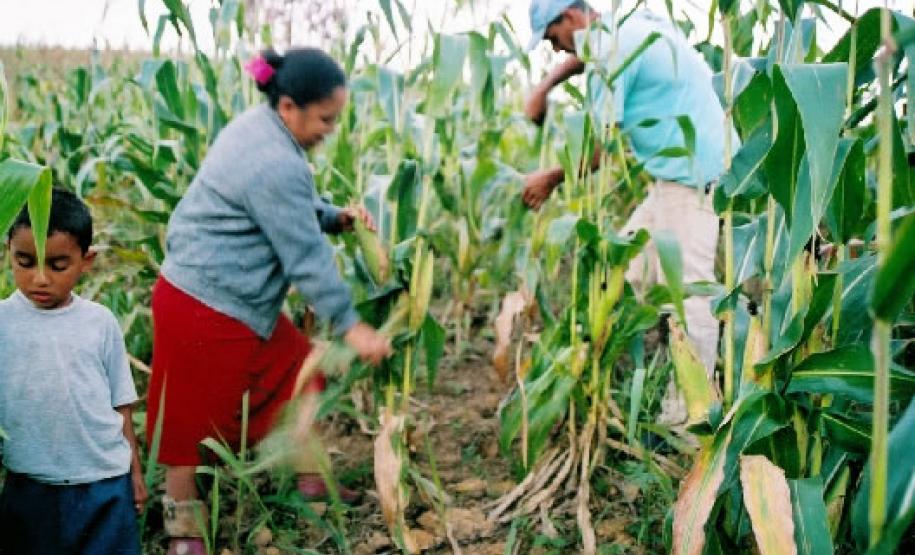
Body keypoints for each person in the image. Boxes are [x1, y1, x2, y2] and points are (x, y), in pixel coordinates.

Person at [146, 47, 392, 555]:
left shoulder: (256, 128)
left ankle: (310, 478)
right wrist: (350, 325)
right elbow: (306, 260)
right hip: (205, 304)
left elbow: (278, 206)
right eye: (325, 118)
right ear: (289, 109)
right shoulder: (277, 161)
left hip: (226, 299)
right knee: (190, 422)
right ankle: (183, 530)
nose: (330, 129)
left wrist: (330, 216)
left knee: (297, 370)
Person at [523, 0, 733, 417]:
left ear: (569, 18)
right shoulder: (627, 26)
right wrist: (545, 86)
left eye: (552, 39)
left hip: (690, 179)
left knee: (689, 293)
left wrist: (548, 179)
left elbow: (596, 149)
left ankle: (691, 415)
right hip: (670, 179)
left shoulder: (612, 51)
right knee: (624, 272)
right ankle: (626, 380)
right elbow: (582, 58)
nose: (556, 50)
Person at [0, 188, 147, 555]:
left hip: (103, 483)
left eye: (57, 265)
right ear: (8, 255)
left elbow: (121, 405)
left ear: (87, 261)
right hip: (30, 484)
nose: (40, 279)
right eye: (25, 261)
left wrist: (135, 474)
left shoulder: (100, 323)